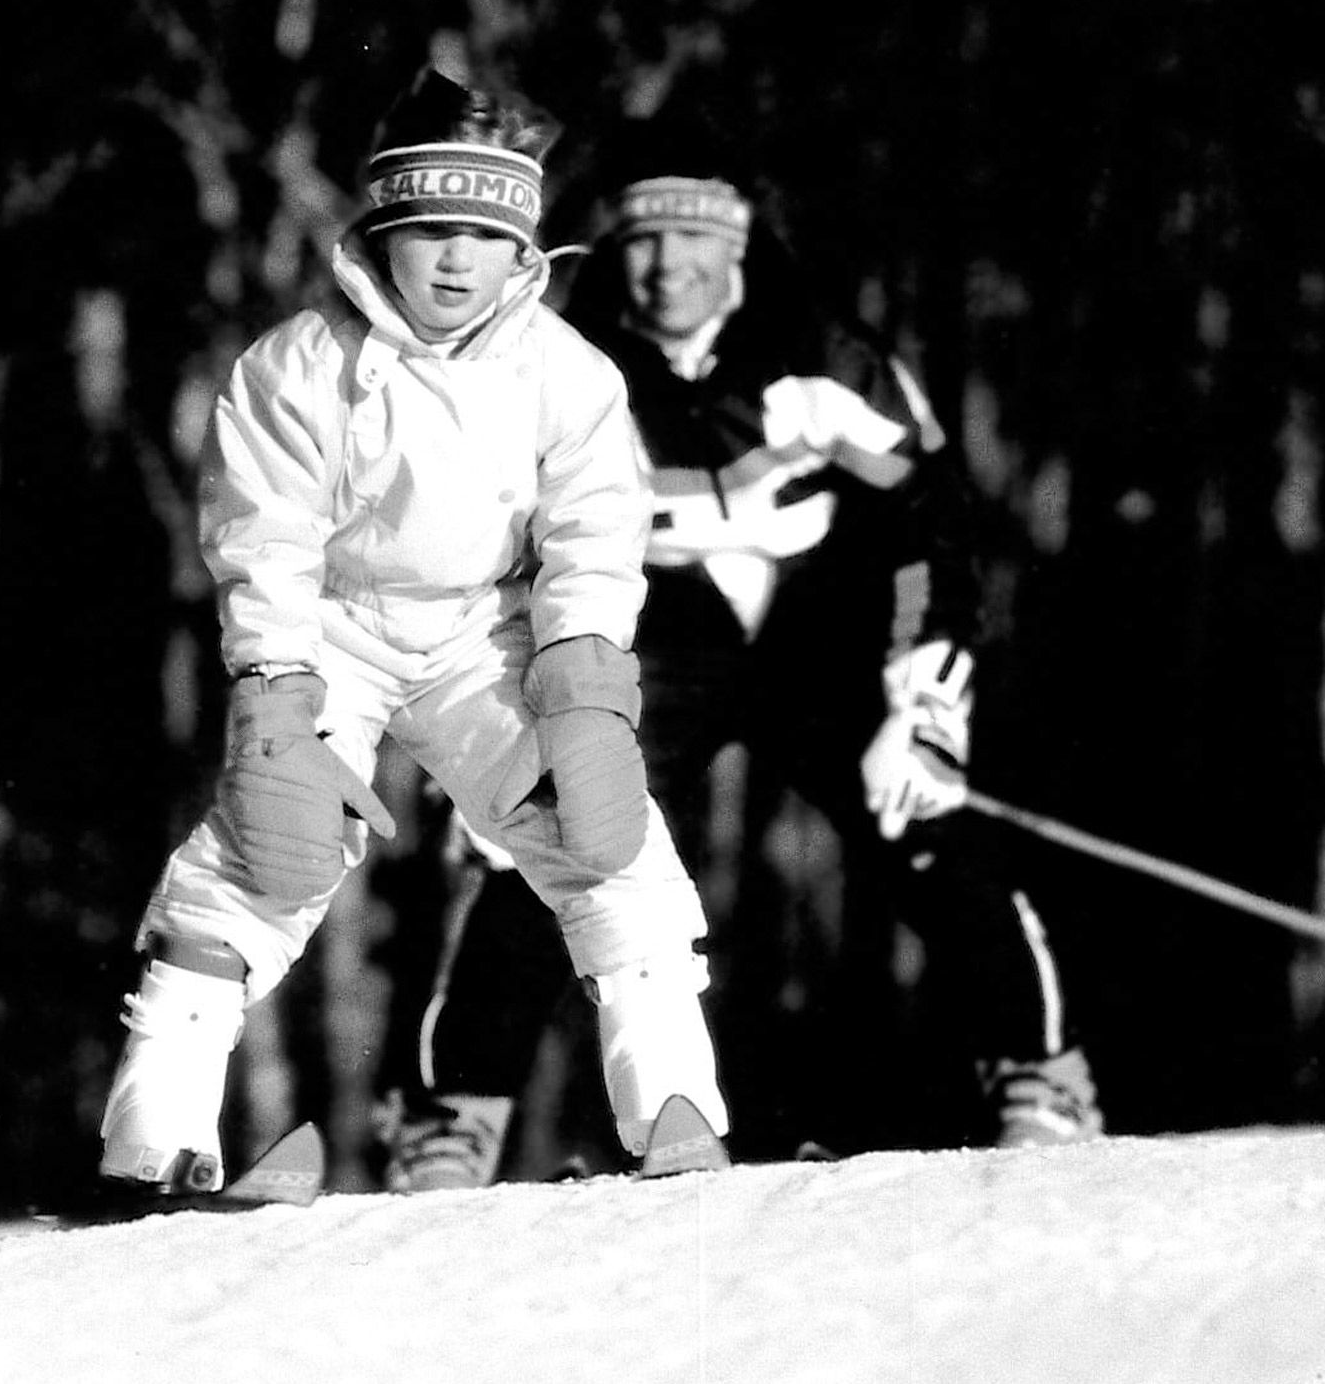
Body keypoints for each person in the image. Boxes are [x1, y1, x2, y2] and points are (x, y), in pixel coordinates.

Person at [379, 115, 1103, 1189]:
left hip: (824, 622)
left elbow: (931, 523)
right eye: (642, 240)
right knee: (544, 834)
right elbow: (492, 547)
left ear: (739, 242)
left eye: (693, 237)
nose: (667, 265)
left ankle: (1042, 1075)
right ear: (611, 249)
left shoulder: (825, 354)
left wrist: (923, 700)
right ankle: (450, 1118)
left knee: (918, 812)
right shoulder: (557, 365)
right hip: (656, 625)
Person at [95, 70, 731, 1200]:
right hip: (332, 629)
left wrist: (584, 680)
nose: (452, 259)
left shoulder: (566, 372)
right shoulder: (296, 365)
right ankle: (155, 1129)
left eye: (483, 235)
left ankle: (671, 1108)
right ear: (381, 230)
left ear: (521, 248)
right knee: (266, 851)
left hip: (485, 632)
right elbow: (265, 540)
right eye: (429, 229)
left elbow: (595, 530)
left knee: (603, 833)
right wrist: (277, 695)